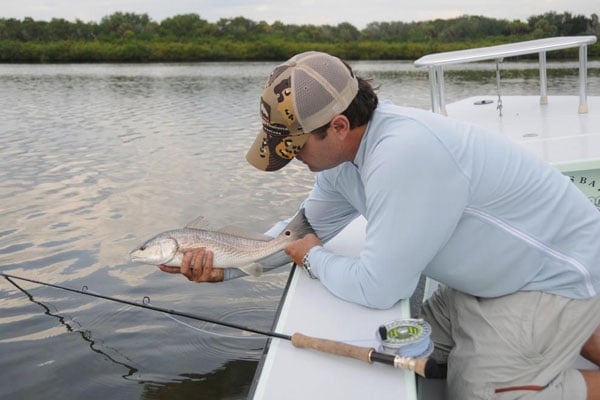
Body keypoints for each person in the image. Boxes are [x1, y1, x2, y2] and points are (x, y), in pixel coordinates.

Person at [161, 51, 600, 399]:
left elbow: (379, 288)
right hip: (492, 281)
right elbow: (300, 229)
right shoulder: (344, 158)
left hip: (553, 278)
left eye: (294, 148)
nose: (292, 159)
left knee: (479, 393)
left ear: (337, 126)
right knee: (406, 343)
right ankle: (576, 337)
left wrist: (313, 257)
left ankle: (575, 330)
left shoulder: (402, 153)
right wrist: (225, 267)